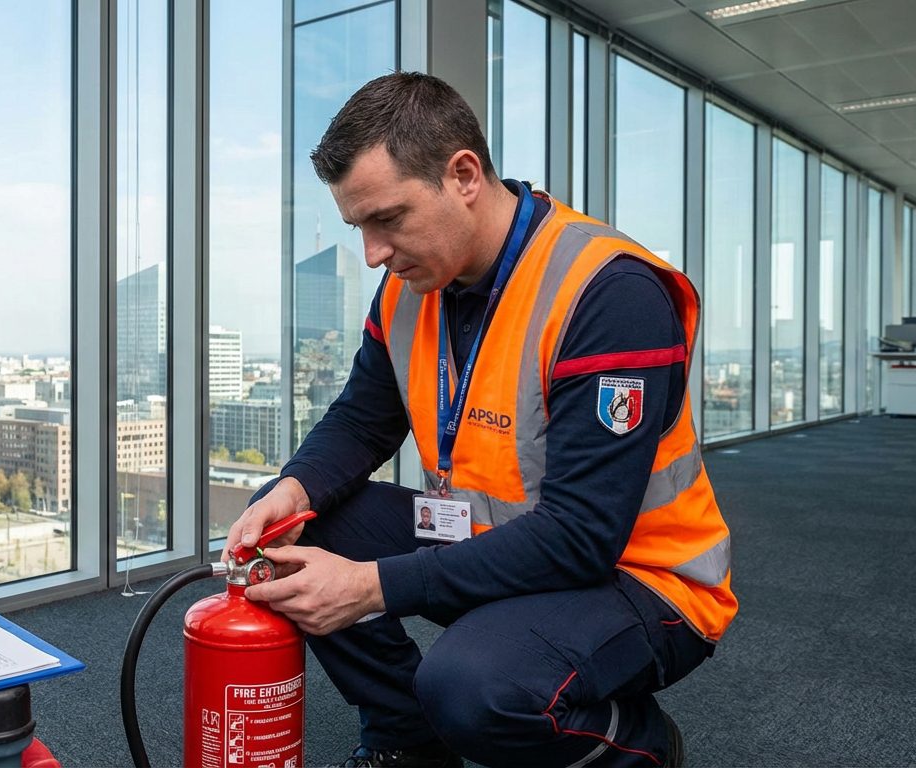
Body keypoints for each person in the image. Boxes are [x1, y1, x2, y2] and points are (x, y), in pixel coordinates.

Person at [223, 72, 736, 768]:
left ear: (463, 174)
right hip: (498, 539)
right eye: (359, 227)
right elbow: (361, 422)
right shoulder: (411, 288)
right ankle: (408, 739)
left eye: (389, 218)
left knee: (473, 686)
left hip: (640, 579)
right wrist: (290, 491)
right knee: (299, 529)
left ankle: (639, 745)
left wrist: (369, 587)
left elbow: (582, 537)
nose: (373, 252)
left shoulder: (607, 291)